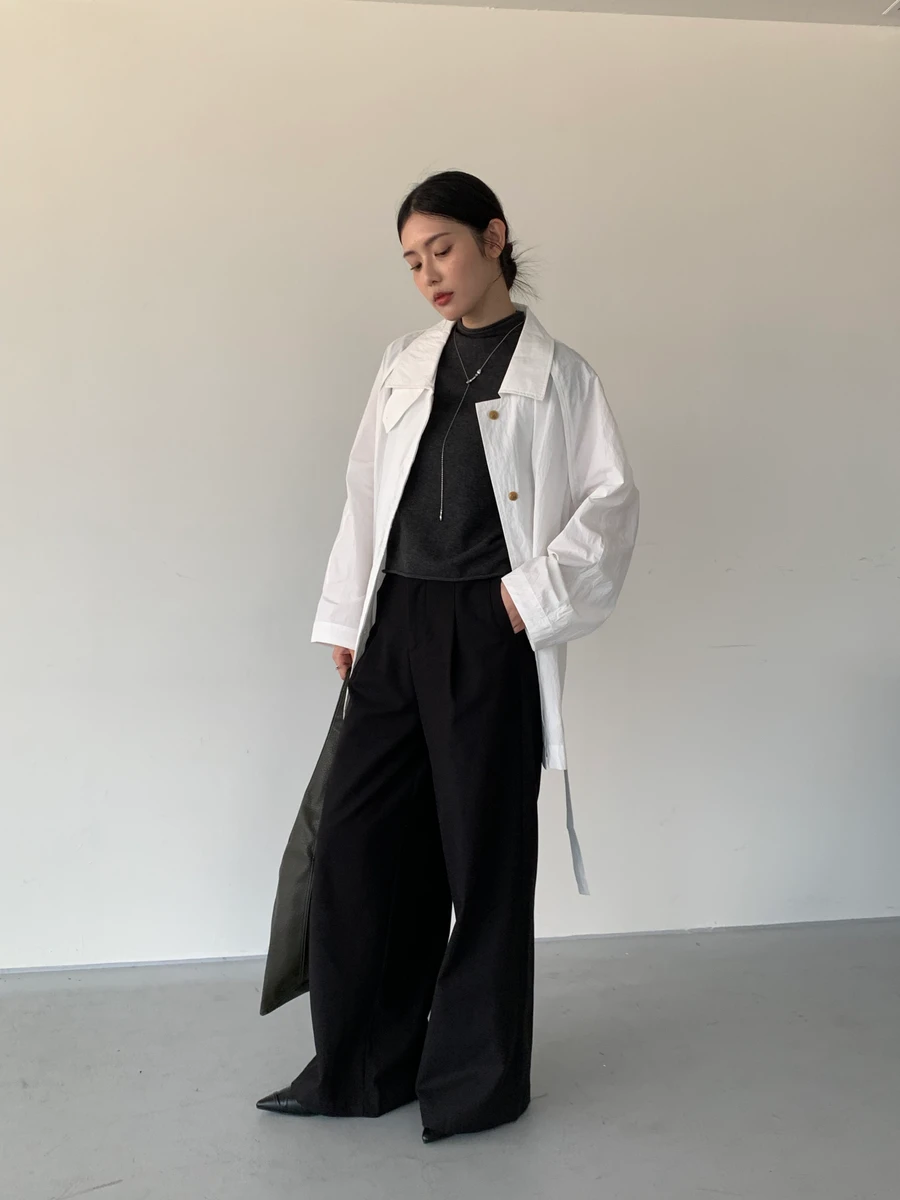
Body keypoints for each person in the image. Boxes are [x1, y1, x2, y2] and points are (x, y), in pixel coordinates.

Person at [257, 170, 639, 1143]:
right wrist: (348, 617)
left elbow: (610, 504)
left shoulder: (560, 376)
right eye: (412, 261)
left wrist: (525, 598)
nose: (429, 273)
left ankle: (476, 1082)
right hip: (396, 618)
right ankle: (361, 1065)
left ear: (493, 238)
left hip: (486, 626)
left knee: (483, 854)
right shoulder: (403, 362)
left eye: (443, 249)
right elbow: (364, 491)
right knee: (358, 844)